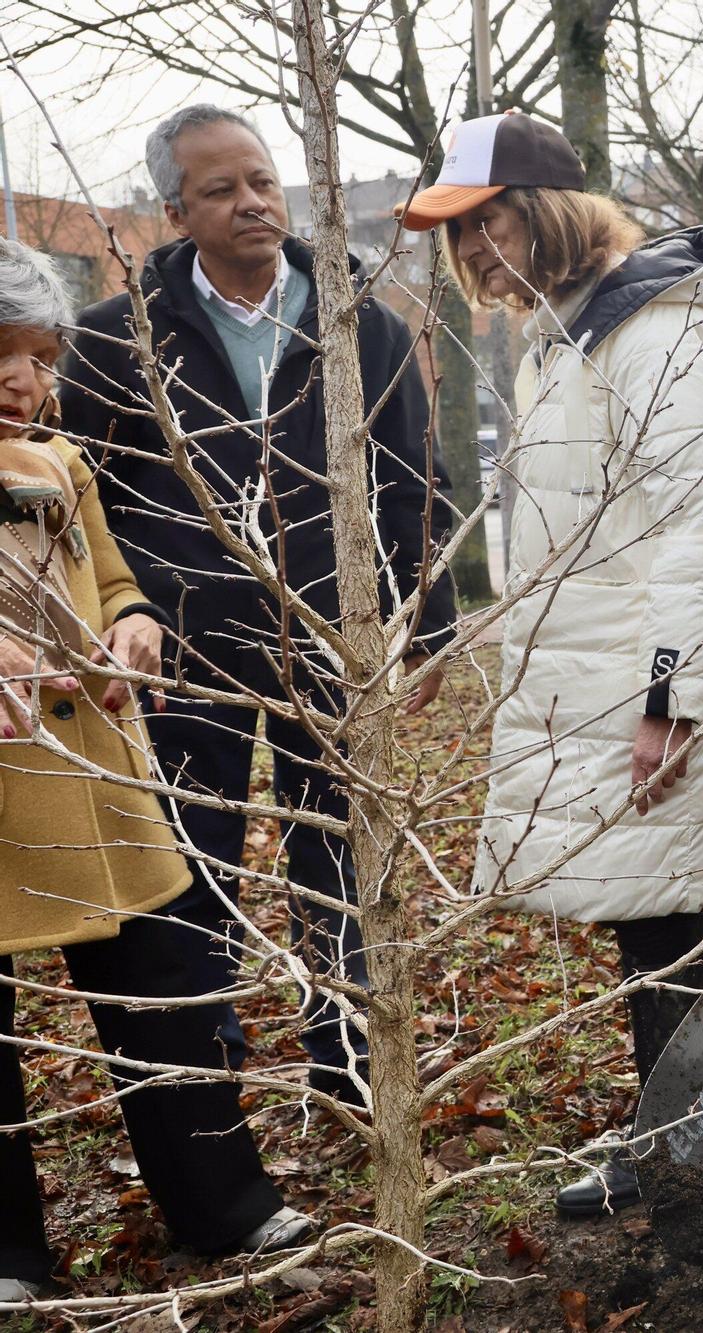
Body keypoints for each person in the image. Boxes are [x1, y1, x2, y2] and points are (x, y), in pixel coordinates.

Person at [401, 112, 703, 1218]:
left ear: (551, 210)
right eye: (456, 233)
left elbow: (702, 531)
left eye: (489, 220)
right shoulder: (565, 337)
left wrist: (670, 697)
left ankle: (686, 1152)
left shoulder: (657, 336)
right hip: (608, 677)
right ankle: (694, 1136)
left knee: (661, 917)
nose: (472, 250)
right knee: (652, 918)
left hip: (650, 683)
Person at [59, 105, 457, 1105]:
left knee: (341, 854)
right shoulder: (114, 340)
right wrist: (115, 614)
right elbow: (80, 499)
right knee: (194, 860)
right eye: (221, 189)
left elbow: (413, 477)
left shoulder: (357, 321)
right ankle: (207, 1067)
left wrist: (429, 622)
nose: (252, 203)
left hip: (333, 635)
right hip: (181, 650)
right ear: (175, 212)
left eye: (263, 180)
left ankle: (349, 1057)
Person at [0, 239, 310, 1303]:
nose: (22, 381)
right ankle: (7, 1254)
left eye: (41, 359)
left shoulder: (60, 464)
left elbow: (115, 575)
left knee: (167, 988)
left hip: (99, 778)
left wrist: (134, 621)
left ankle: (227, 1206)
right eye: (0, 354)